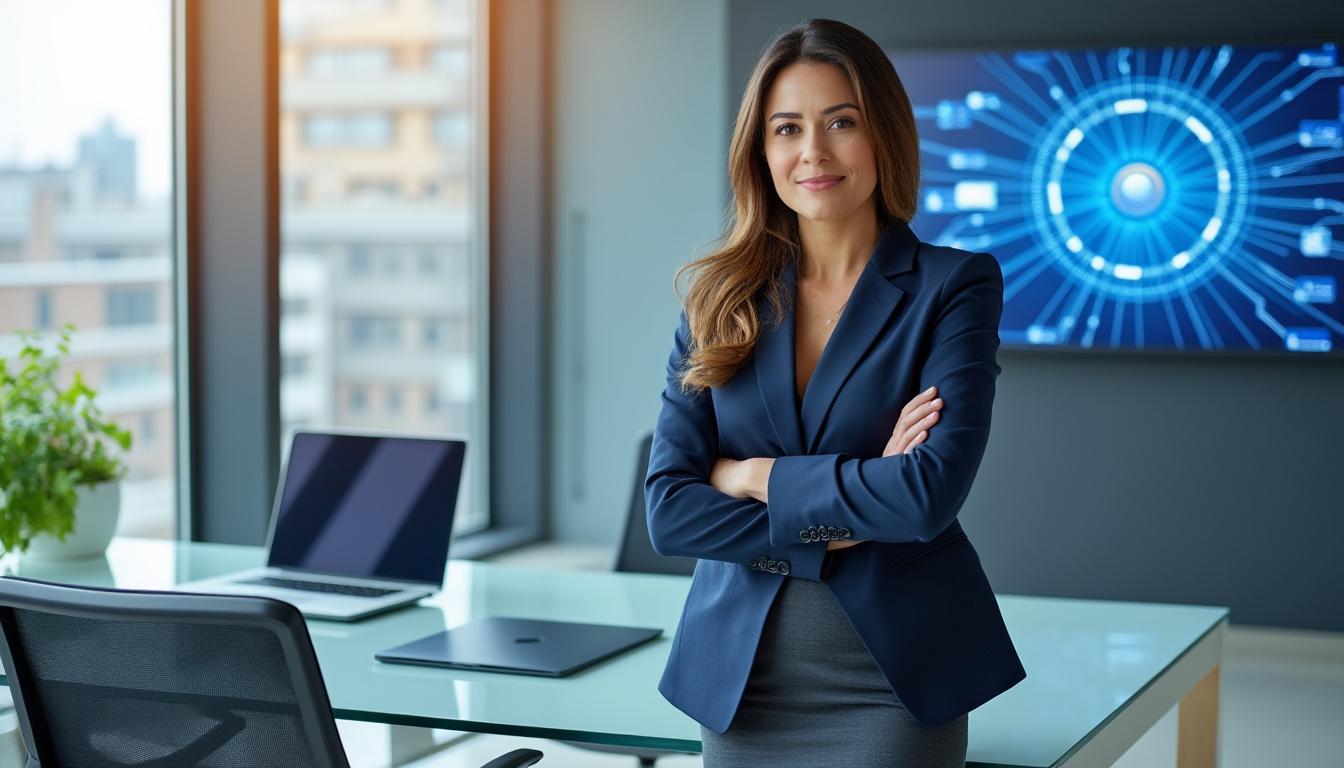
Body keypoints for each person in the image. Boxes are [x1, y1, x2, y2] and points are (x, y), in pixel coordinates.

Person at [644, 18, 1026, 768]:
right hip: (741, 682)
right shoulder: (720, 298)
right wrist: (846, 504)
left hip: (891, 680)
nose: (812, 152)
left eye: (840, 123)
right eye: (787, 128)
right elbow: (668, 512)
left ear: (882, 134)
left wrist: (748, 477)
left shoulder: (954, 286)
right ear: (762, 150)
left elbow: (924, 497)